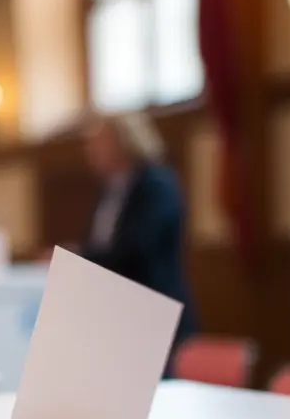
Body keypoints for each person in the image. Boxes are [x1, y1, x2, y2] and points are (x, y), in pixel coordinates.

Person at [73, 112, 198, 371]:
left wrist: (79, 257)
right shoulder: (110, 190)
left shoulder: (157, 185)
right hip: (118, 313)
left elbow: (139, 247)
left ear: (125, 141)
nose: (91, 150)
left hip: (153, 309)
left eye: (100, 141)